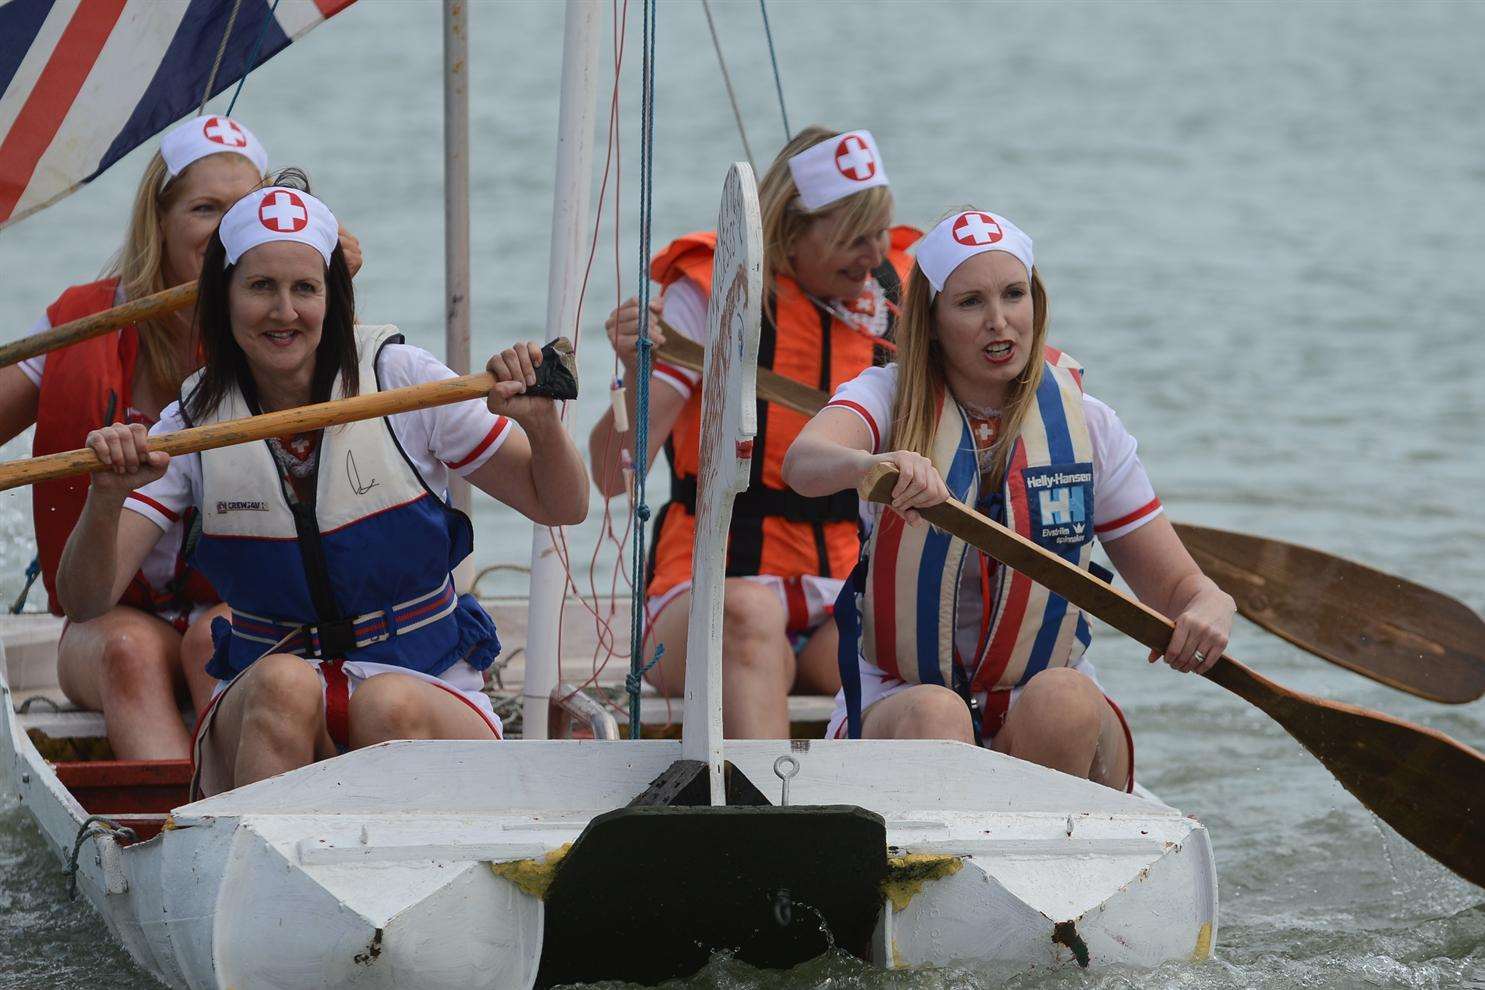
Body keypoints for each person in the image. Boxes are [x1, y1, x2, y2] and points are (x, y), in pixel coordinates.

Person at [53, 177, 587, 796]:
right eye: (260, 287)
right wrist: (106, 495)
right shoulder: (192, 422)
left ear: (333, 298)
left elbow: (562, 505)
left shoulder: (401, 380)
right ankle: (266, 872)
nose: (284, 313)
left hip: (425, 680)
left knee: (386, 704)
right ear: (223, 299)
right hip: (267, 702)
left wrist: (541, 426)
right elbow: (85, 601)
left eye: (304, 288)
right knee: (283, 683)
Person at [782, 209, 1236, 789]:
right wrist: (872, 465)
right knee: (938, 715)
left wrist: (1212, 604)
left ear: (1035, 303)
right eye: (970, 303)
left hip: (1044, 696)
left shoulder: (1089, 425)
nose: (1000, 322)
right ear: (933, 319)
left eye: (1013, 295)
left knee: (1063, 699)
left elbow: (1179, 590)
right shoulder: (887, 398)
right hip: (905, 698)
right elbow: (803, 464)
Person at [0, 115, 361, 760]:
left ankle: (231, 805)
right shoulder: (84, 321)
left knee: (216, 635)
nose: (225, 228)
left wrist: (333, 288)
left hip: (230, 605)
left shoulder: (274, 324)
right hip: (108, 620)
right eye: (204, 209)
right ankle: (168, 827)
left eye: (240, 210)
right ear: (158, 221)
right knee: (127, 649)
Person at [588, 127, 920, 738]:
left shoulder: (898, 304)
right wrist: (635, 368)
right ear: (791, 232)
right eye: (852, 238)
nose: (874, 255)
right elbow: (612, 476)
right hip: (707, 592)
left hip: (837, 592)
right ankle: (768, 816)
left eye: (880, 233)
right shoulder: (713, 299)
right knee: (749, 615)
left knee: (915, 647)